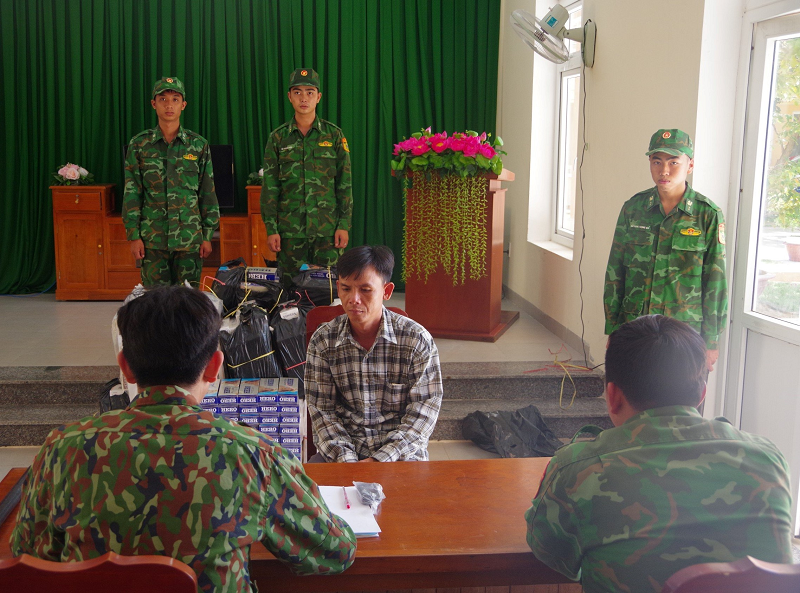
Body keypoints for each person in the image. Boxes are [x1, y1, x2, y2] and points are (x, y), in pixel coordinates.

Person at [10, 286, 356, 591]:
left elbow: (28, 556)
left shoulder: (63, 449)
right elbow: (333, 552)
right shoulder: (252, 454)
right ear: (214, 366)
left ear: (125, 366)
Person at [526, 315, 793, 593]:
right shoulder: (767, 459)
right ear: (702, 393)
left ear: (612, 395)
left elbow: (549, 550)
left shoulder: (577, 470)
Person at [604, 129, 727, 371]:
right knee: (635, 396)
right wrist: (613, 328)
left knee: (680, 399)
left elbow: (716, 282)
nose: (664, 171)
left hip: (683, 333)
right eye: (656, 161)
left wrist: (711, 341)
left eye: (674, 162)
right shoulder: (633, 208)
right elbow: (615, 271)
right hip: (636, 327)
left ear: (689, 165)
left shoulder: (707, 214)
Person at [305, 245, 442, 462]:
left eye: (365, 290)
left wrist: (380, 461)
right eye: (346, 288)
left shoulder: (416, 340)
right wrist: (347, 461)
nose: (353, 299)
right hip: (343, 452)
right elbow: (322, 410)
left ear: (386, 291)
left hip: (400, 455)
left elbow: (424, 410)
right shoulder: (324, 341)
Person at [123, 76, 220, 287]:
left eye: (175, 99)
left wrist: (207, 234)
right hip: (153, 240)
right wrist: (133, 235)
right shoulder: (139, 145)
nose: (169, 104)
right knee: (156, 304)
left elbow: (208, 192)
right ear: (153, 104)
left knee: (188, 303)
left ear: (183, 105)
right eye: (163, 99)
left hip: (189, 240)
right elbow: (132, 192)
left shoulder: (198, 145)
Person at [260, 68, 352, 278]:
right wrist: (271, 228)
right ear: (289, 97)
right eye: (298, 92)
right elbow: (270, 188)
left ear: (318, 97)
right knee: (291, 292)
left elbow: (344, 184)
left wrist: (343, 224)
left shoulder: (334, 135)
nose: (304, 98)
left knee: (328, 290)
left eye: (310, 92)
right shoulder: (278, 138)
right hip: (290, 232)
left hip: (327, 231)